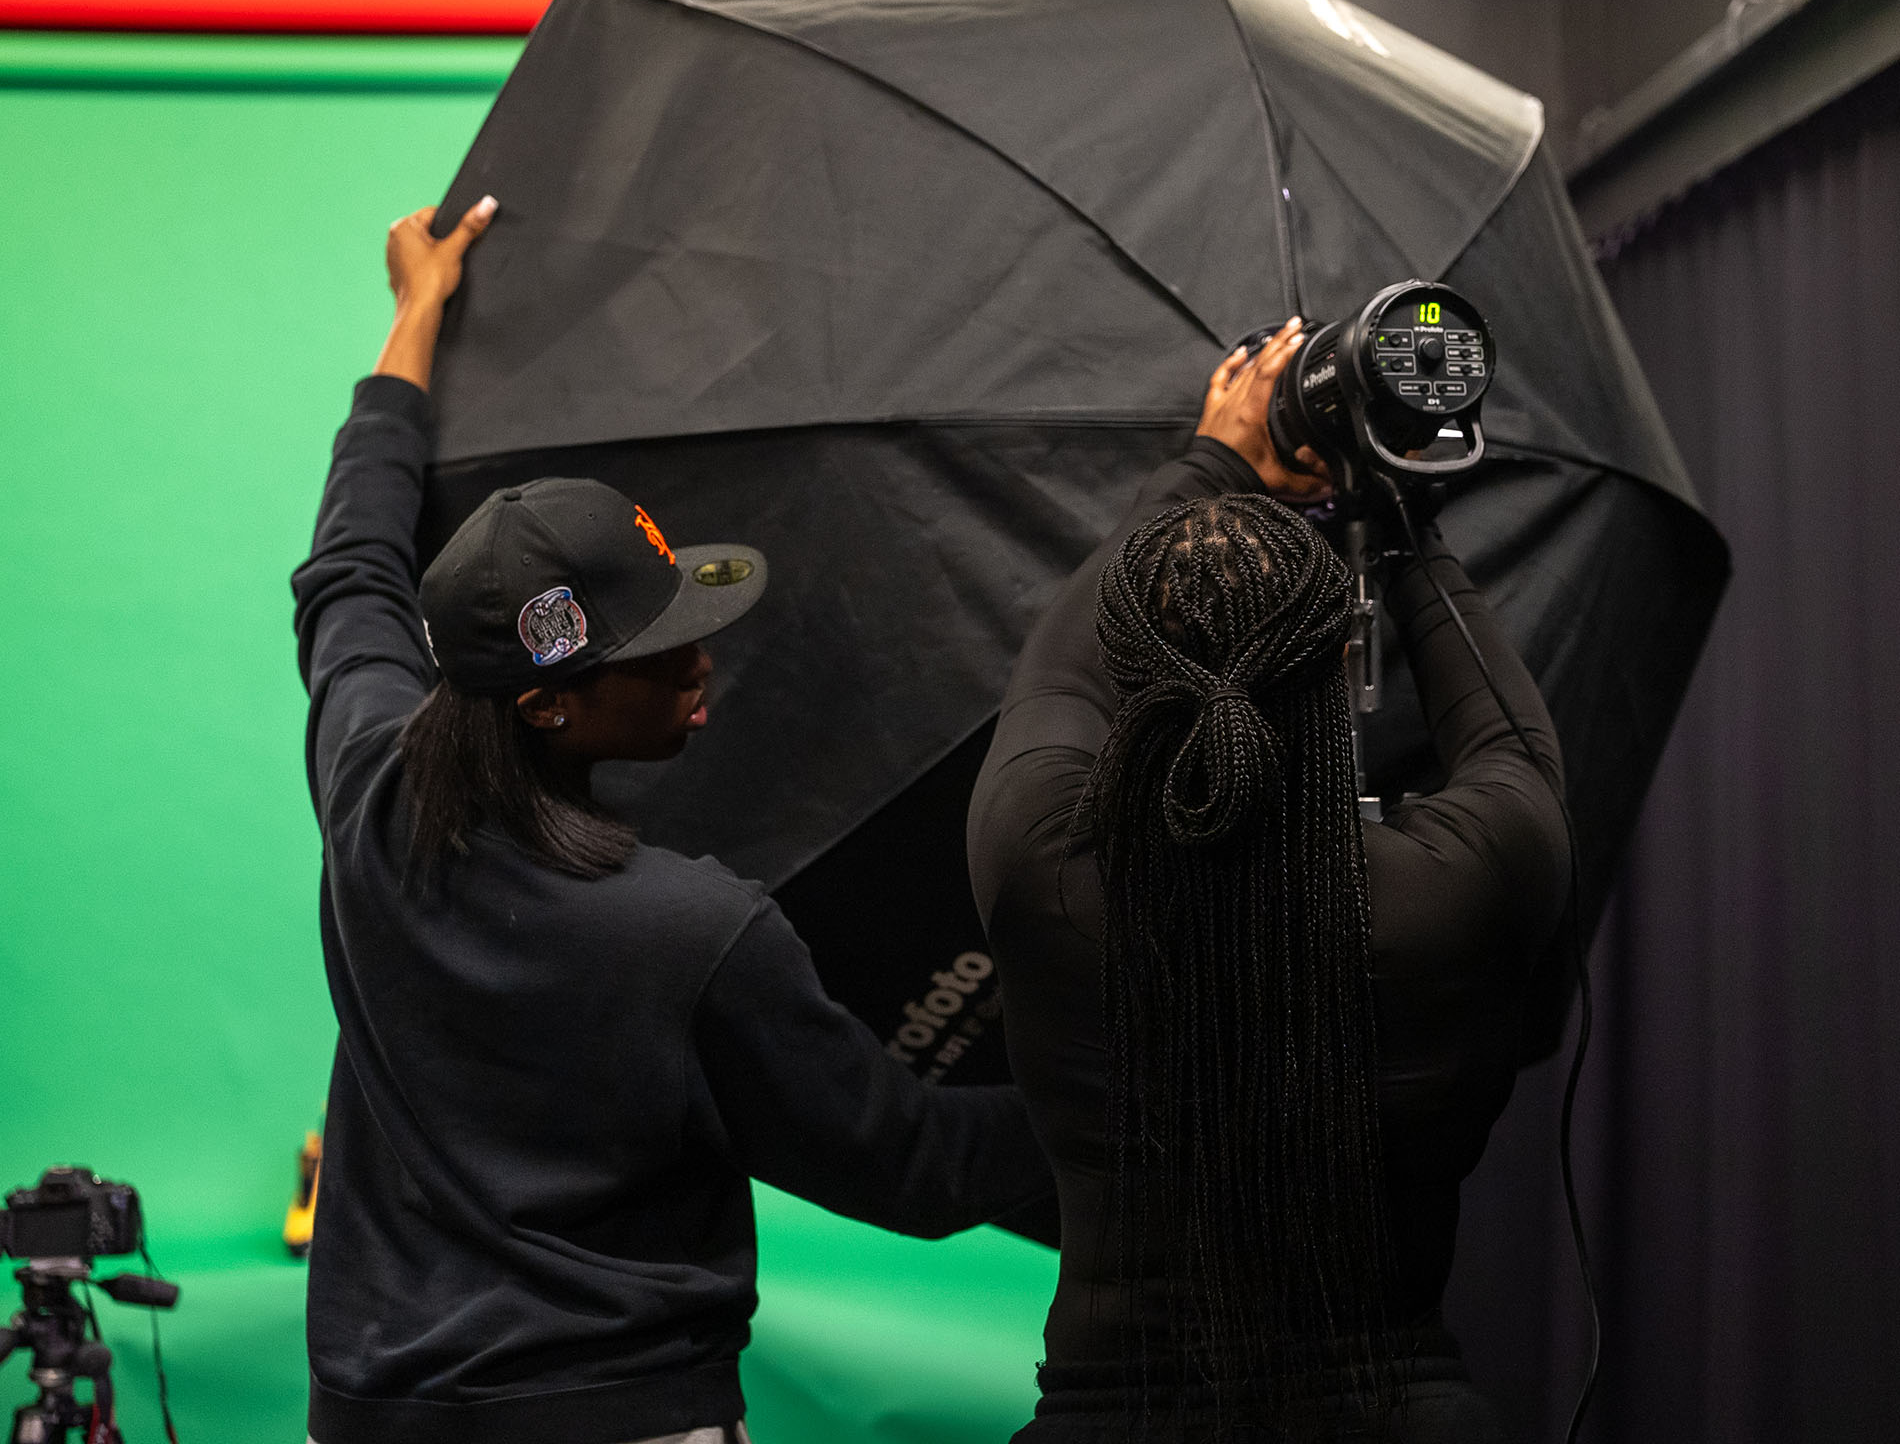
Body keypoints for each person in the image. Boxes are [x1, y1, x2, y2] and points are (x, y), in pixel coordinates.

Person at [292, 197, 1051, 1444]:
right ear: (548, 703)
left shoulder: (367, 782)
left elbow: (349, 562)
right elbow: (908, 1166)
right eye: (661, 651)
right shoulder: (694, 932)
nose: (703, 662)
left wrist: (413, 315)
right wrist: (1126, 1088)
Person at [967, 320, 1571, 1441]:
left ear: (1128, 677)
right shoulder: (1456, 887)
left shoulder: (1039, 869)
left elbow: (1053, 668)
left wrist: (1213, 462)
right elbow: (1513, 747)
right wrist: (1401, 522)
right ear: (1343, 657)